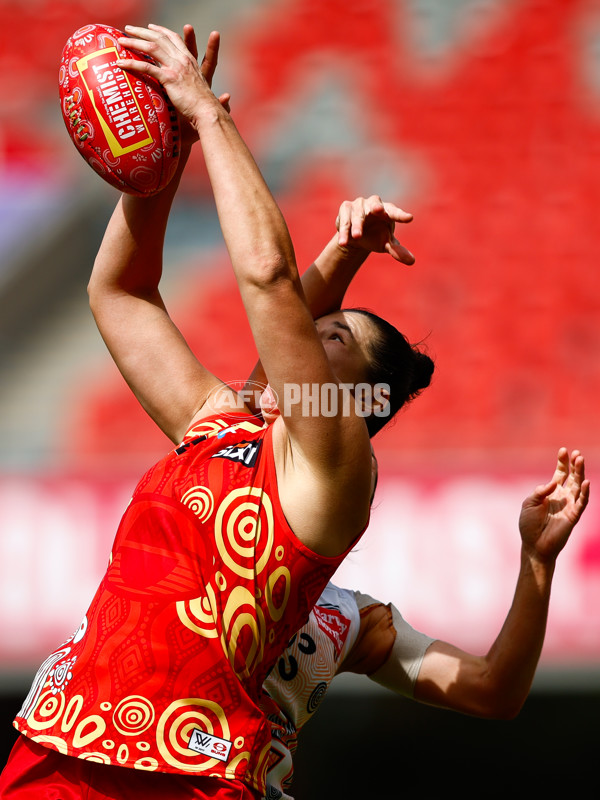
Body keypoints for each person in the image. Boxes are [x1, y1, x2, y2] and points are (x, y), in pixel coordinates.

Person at [0, 25, 433, 800]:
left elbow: (270, 286)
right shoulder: (218, 423)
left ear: (355, 397)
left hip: (185, 775)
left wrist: (207, 114)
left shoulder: (339, 469)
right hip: (59, 751)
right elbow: (121, 295)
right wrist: (161, 166)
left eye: (333, 335)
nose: (309, 326)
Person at [260, 447, 590, 798]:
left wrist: (538, 559)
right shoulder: (207, 534)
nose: (347, 487)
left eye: (361, 487)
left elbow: (493, 689)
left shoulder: (347, 621)